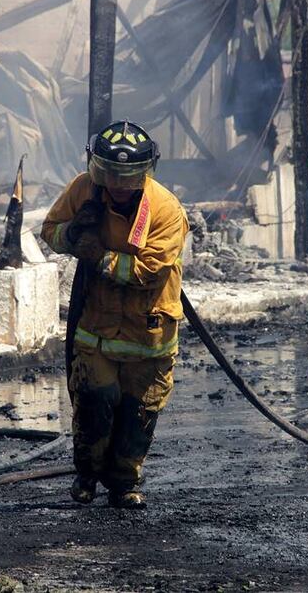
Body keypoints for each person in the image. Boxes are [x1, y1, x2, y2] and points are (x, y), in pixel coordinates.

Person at [41, 120, 189, 509]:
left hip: (148, 332)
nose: (119, 186)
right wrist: (72, 235)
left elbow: (148, 271)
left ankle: (123, 485)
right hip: (95, 328)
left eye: (128, 177)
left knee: (138, 413)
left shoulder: (165, 210)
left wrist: (99, 257)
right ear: (97, 169)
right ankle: (87, 476)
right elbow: (50, 230)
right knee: (93, 401)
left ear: (145, 173)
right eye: (110, 175)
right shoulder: (83, 190)